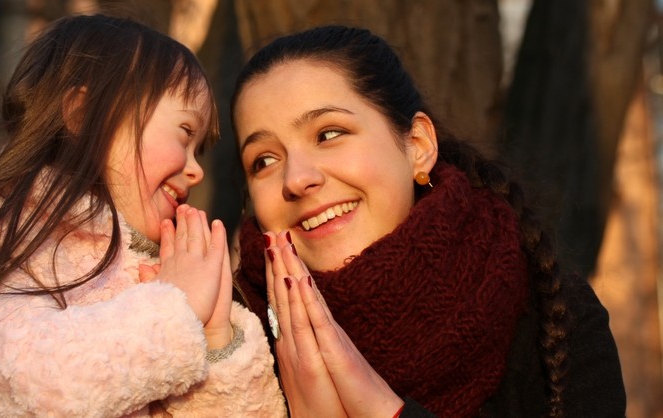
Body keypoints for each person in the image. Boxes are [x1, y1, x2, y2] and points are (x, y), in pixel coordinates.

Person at [0, 14, 285, 417]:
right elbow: (34, 386)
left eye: (199, 149)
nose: (196, 169)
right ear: (82, 114)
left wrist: (218, 338)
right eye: (185, 134)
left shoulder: (159, 272)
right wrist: (177, 308)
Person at [231, 25, 626, 417]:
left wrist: (385, 412)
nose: (297, 179)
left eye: (329, 133)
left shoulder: (552, 314)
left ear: (418, 146)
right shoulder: (226, 344)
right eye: (263, 161)